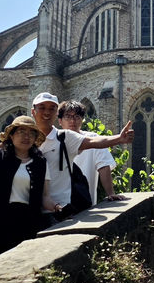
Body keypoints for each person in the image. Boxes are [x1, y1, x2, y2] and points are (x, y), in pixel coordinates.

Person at [0, 116, 57, 260]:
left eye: (31, 133)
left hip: (28, 223)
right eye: (21, 132)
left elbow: (45, 197)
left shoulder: (41, 163)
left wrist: (58, 207)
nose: (27, 137)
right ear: (11, 135)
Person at [30, 92, 134, 224]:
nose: (47, 112)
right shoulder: (26, 139)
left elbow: (94, 142)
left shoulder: (65, 137)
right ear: (33, 111)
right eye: (42, 107)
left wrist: (118, 139)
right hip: (30, 211)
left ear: (56, 114)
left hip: (59, 212)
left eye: (51, 108)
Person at [57, 100, 125, 204]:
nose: (72, 121)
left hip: (84, 204)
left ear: (82, 120)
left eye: (77, 117)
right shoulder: (54, 140)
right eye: (68, 117)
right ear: (60, 121)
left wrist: (110, 193)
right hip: (58, 205)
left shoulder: (94, 139)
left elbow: (103, 166)